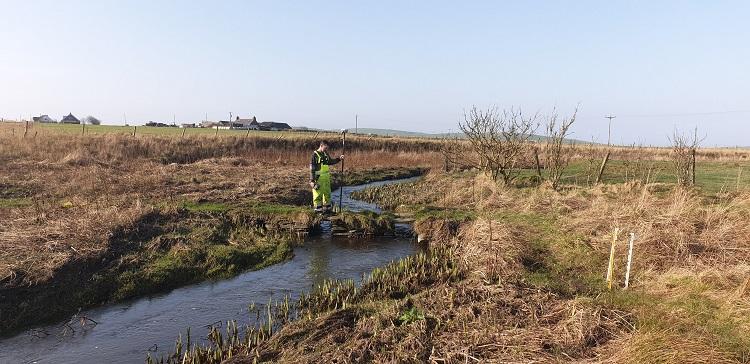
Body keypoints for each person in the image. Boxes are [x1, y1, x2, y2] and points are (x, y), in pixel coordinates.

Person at [309, 140, 344, 212]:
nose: (326, 149)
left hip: (326, 178)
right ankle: (318, 210)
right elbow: (312, 169)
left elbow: (330, 161)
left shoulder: (325, 154)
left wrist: (339, 159)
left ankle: (327, 209)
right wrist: (312, 181)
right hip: (318, 178)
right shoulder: (314, 155)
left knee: (327, 193)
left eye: (327, 148)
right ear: (321, 146)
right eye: (325, 148)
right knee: (318, 194)